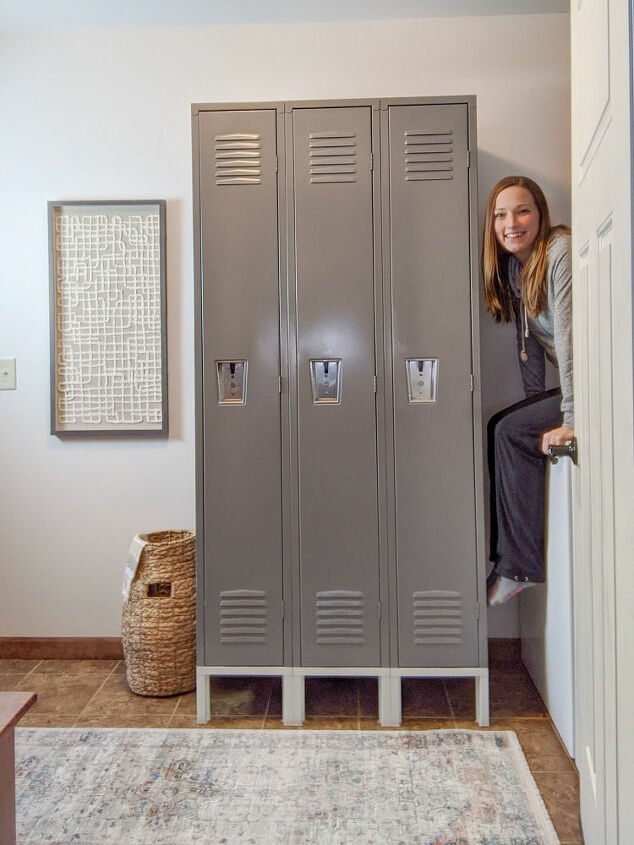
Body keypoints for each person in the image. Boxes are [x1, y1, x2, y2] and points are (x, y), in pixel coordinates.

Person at [482, 175, 573, 606]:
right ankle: (508, 561)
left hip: (595, 382)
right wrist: (533, 404)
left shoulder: (559, 254)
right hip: (576, 385)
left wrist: (570, 419)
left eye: (522, 211)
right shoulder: (519, 268)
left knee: (508, 432)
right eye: (500, 214)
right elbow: (530, 345)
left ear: (540, 214)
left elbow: (571, 341)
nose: (510, 223)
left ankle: (519, 567)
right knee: (503, 425)